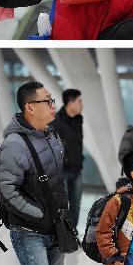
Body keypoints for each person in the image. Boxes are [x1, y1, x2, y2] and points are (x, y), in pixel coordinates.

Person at [0, 81, 69, 265]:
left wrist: (63, 212)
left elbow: (57, 180)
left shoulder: (52, 135)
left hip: (56, 226)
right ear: (30, 107)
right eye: (47, 101)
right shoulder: (14, 144)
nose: (53, 106)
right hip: (28, 230)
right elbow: (7, 190)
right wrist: (37, 213)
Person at [51, 89, 85, 229]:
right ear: (71, 104)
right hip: (61, 171)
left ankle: (72, 232)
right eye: (79, 101)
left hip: (77, 169)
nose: (82, 104)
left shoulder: (78, 120)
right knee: (61, 205)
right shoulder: (55, 122)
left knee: (76, 203)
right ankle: (60, 234)